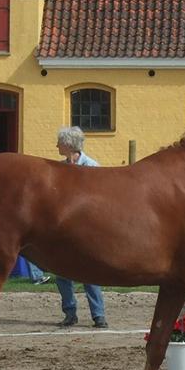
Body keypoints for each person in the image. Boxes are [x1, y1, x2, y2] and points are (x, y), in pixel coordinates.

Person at [53, 126, 108, 328]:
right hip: (66, 229)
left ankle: (98, 315)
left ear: (68, 145)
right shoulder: (60, 169)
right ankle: (70, 313)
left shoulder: (92, 167)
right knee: (62, 275)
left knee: (90, 273)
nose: (56, 146)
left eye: (59, 142)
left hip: (88, 229)